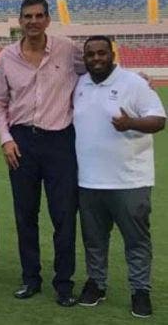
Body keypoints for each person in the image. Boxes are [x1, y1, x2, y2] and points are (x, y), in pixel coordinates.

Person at [0, 0, 83, 306]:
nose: (32, 21)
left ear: (47, 20)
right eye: (27, 16)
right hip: (21, 142)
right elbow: (0, 103)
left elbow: (101, 68)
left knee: (64, 216)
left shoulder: (67, 49)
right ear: (20, 21)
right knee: (25, 216)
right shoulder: (7, 56)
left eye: (38, 16)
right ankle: (30, 278)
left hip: (60, 141)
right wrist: (5, 139)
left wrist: (136, 80)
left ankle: (64, 284)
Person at [73, 36, 164, 319]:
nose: (96, 58)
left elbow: (159, 119)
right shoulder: (80, 84)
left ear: (112, 54)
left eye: (102, 53)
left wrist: (130, 123)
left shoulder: (134, 83)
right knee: (94, 240)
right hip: (89, 181)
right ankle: (96, 284)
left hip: (129, 181)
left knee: (136, 240)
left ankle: (140, 291)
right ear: (84, 58)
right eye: (91, 54)